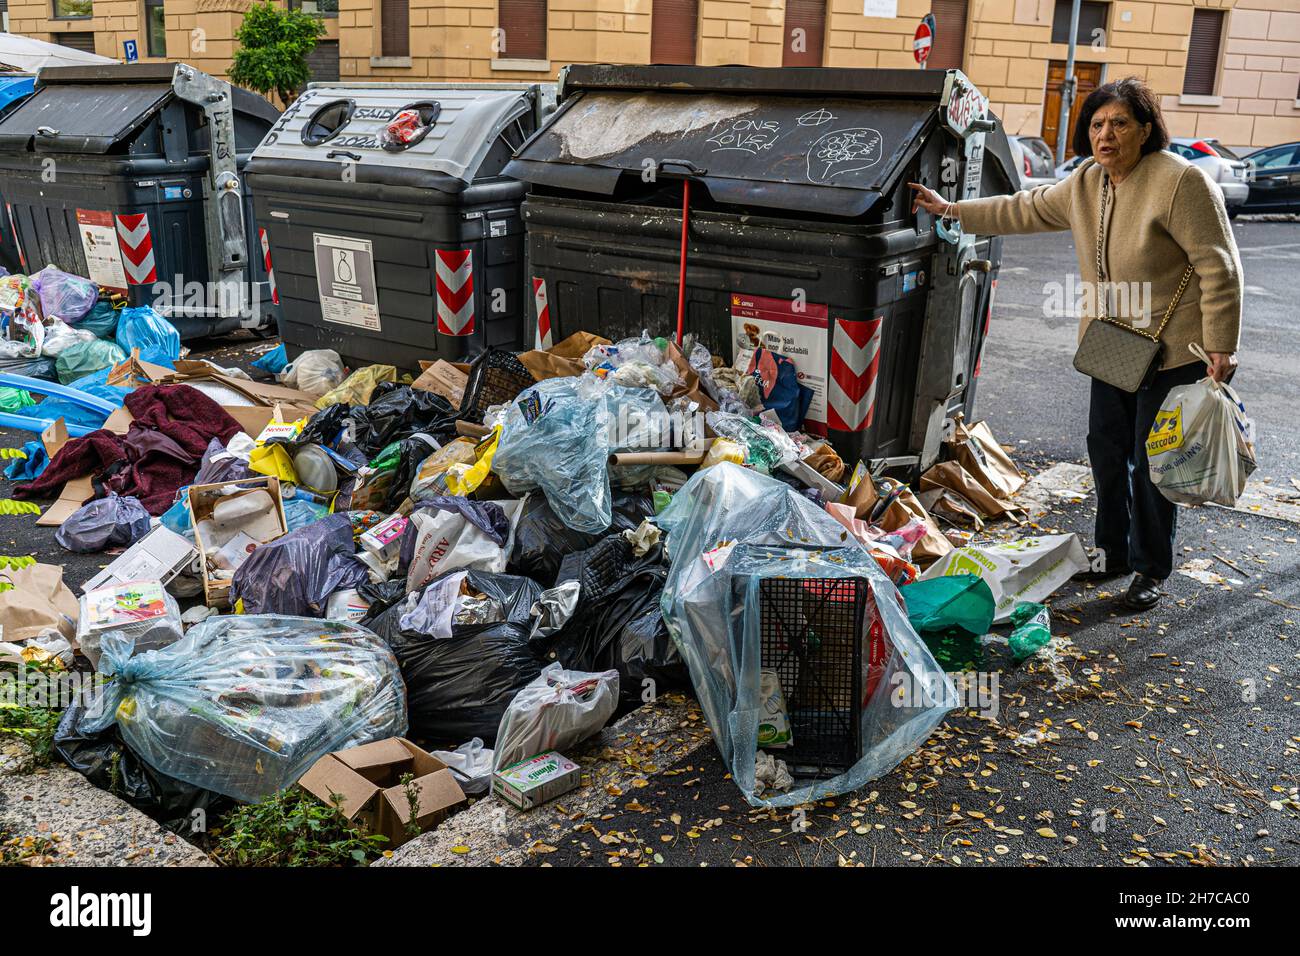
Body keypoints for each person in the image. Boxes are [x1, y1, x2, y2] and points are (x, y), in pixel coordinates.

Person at [909, 76, 1243, 611]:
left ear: (1146, 130)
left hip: (1174, 350)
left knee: (1153, 463)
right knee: (1108, 454)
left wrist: (1222, 344)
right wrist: (951, 210)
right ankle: (1111, 552)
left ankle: (1149, 567)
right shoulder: (1089, 181)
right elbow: (1023, 208)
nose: (1105, 135)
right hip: (1112, 346)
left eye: (1119, 124)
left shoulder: (1180, 183)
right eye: (1096, 125)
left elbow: (1219, 267)